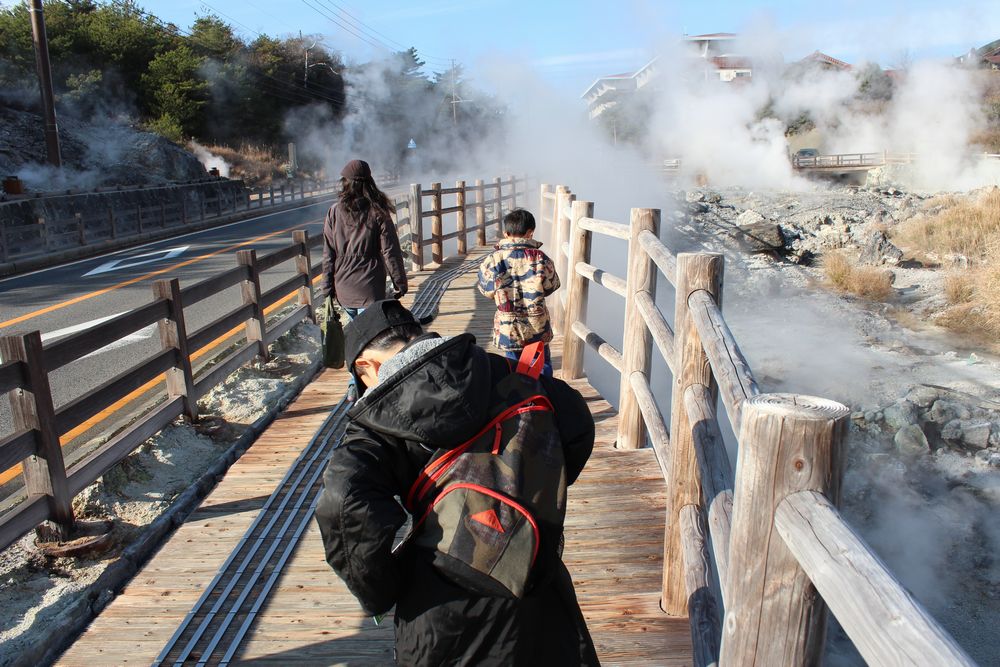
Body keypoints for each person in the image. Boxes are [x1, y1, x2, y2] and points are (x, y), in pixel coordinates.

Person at [315, 300, 600, 667]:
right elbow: (577, 422)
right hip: (533, 574)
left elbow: (342, 502)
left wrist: (381, 591)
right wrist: (530, 490)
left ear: (366, 366)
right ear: (417, 336)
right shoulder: (501, 370)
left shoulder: (375, 422)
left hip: (443, 602)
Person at [322, 159, 408, 401]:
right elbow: (391, 252)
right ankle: (371, 384)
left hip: (344, 287)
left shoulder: (334, 212)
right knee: (372, 340)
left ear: (346, 183)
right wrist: (399, 282)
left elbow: (328, 254)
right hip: (371, 287)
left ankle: (355, 385)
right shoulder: (378, 212)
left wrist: (327, 288)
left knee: (355, 338)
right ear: (369, 182)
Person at [477, 209, 560, 376]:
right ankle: (546, 390)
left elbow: (486, 289)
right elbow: (552, 285)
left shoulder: (493, 259)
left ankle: (519, 391)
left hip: (508, 326)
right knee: (541, 364)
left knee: (513, 366)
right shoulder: (541, 258)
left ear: (505, 233)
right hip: (537, 324)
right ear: (531, 233)